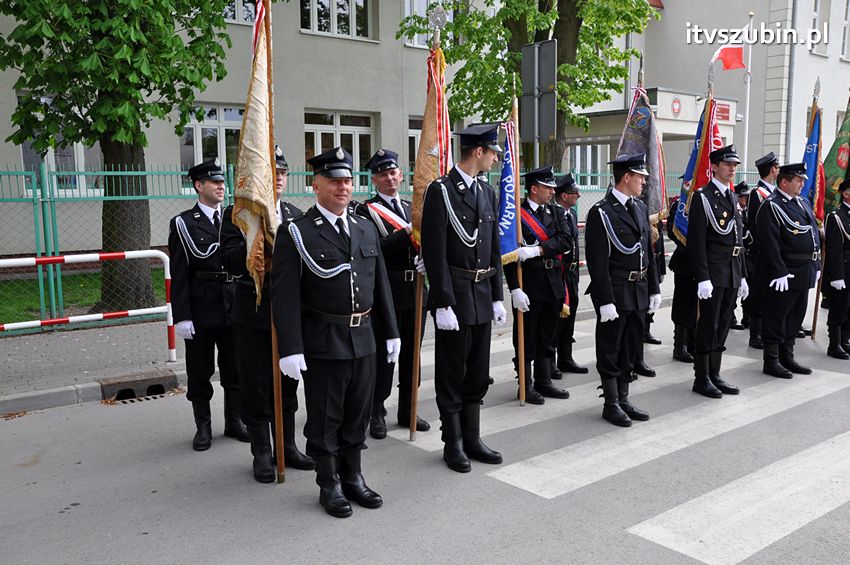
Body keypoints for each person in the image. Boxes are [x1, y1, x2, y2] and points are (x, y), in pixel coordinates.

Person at [272, 147, 399, 518]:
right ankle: (328, 483)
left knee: (358, 413)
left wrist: (390, 330)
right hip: (323, 339)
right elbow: (285, 296)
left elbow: (380, 286)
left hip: (364, 338)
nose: (343, 187)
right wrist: (290, 348)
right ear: (316, 185)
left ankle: (353, 476)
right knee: (326, 417)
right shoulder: (295, 233)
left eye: (347, 180)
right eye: (334, 181)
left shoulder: (363, 227)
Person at [220, 146, 313, 483]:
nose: (277, 180)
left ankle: (286, 447)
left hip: (288, 312)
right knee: (257, 384)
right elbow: (227, 260)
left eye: (282, 174)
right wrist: (257, 240)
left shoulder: (293, 213)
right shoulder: (239, 214)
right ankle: (261, 452)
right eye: (271, 173)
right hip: (253, 312)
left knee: (287, 382)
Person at [420, 123, 507, 472]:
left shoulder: (486, 193)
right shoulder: (441, 191)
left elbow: (494, 248)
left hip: (482, 292)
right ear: (477, 152)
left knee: (477, 372)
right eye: (493, 152)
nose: (496, 158)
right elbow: (435, 250)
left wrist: (498, 294)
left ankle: (472, 436)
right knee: (452, 372)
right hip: (455, 295)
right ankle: (452, 441)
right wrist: (441, 302)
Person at [168, 158, 249, 451]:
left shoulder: (235, 218)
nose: (220, 186)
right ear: (198, 186)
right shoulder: (184, 223)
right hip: (201, 307)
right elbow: (178, 272)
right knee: (200, 372)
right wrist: (182, 316)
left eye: (222, 182)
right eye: (213, 182)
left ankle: (234, 421)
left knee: (235, 370)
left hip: (232, 303)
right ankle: (203, 427)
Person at [355, 148, 430, 438]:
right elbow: (378, 250)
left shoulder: (413, 207)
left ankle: (408, 409)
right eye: (382, 174)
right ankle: (377, 410)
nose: (389, 178)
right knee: (386, 355)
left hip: (416, 290)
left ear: (401, 175)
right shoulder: (366, 211)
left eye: (393, 172)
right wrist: (408, 232)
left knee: (413, 354)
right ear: (374, 180)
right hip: (388, 292)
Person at [584, 153, 661, 427]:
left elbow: (647, 252)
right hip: (616, 290)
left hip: (638, 287)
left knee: (631, 346)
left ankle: (624, 397)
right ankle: (611, 402)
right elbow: (597, 261)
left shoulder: (638, 208)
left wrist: (654, 288)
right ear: (626, 177)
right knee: (610, 347)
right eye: (640, 176)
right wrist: (605, 300)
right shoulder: (601, 213)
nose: (644, 181)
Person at [504, 165, 571, 405]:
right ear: (534, 189)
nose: (553, 192)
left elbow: (565, 241)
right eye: (547, 187)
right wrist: (514, 288)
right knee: (526, 337)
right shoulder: (516, 216)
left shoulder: (555, 213)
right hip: (529, 285)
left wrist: (537, 250)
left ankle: (544, 380)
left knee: (547, 335)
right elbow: (508, 255)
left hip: (552, 282)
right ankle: (526, 384)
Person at [686, 144, 748, 398]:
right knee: (708, 325)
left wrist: (743, 274)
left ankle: (715, 373)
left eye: (734, 165)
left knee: (723, 324)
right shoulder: (703, 197)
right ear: (714, 166)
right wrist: (702, 277)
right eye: (727, 164)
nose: (732, 169)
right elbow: (697, 242)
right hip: (713, 271)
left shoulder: (732, 197)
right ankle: (701, 378)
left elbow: (738, 240)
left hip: (732, 270)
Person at [756, 162, 821, 378]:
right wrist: (778, 271)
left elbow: (813, 235)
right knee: (777, 315)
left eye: (803, 179)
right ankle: (771, 360)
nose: (803, 183)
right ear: (784, 181)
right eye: (798, 180)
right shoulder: (772, 205)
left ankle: (787, 356)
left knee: (795, 316)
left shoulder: (801, 203)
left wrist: (817, 264)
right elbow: (769, 242)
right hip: (786, 272)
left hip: (804, 270)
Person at [551, 173, 588, 376]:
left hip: (572, 274)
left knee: (570, 316)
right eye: (575, 193)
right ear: (564, 196)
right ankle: (551, 362)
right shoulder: (553, 213)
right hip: (558, 274)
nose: (578, 196)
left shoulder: (571, 214)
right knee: (556, 318)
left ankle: (566, 357)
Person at [746, 151, 780, 349]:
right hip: (760, 253)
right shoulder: (757, 194)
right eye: (776, 167)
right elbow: (754, 225)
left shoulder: (775, 193)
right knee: (759, 295)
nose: (778, 171)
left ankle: (768, 331)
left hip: (773, 251)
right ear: (771, 169)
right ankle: (755, 334)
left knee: (771, 296)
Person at [668, 192, 697, 363]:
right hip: (685, 262)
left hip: (703, 262)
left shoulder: (704, 200)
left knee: (697, 305)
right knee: (683, 305)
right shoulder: (680, 203)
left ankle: (693, 342)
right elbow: (673, 228)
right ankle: (680, 345)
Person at [824, 178, 850, 359]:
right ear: (846, 194)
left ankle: (845, 340)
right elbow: (834, 249)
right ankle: (834, 344)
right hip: (843, 270)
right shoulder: (836, 217)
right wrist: (836, 276)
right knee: (839, 307)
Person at [734, 181, 755, 330]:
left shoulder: (747, 212)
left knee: (748, 289)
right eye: (743, 197)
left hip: (747, 257)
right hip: (738, 255)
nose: (746, 200)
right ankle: (731, 317)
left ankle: (747, 317)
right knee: (734, 289)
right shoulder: (734, 211)